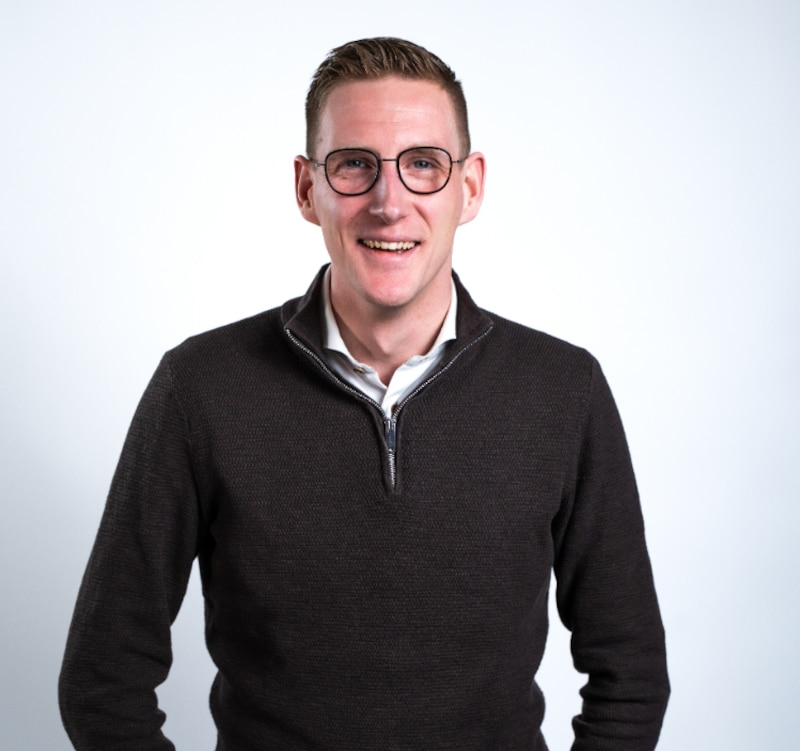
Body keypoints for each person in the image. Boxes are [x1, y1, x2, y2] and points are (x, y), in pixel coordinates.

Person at [59, 37, 669, 751]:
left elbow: (630, 674)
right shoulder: (199, 388)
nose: (389, 203)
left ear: (470, 187)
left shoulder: (564, 390)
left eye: (423, 164)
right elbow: (103, 678)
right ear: (306, 188)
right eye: (354, 165)